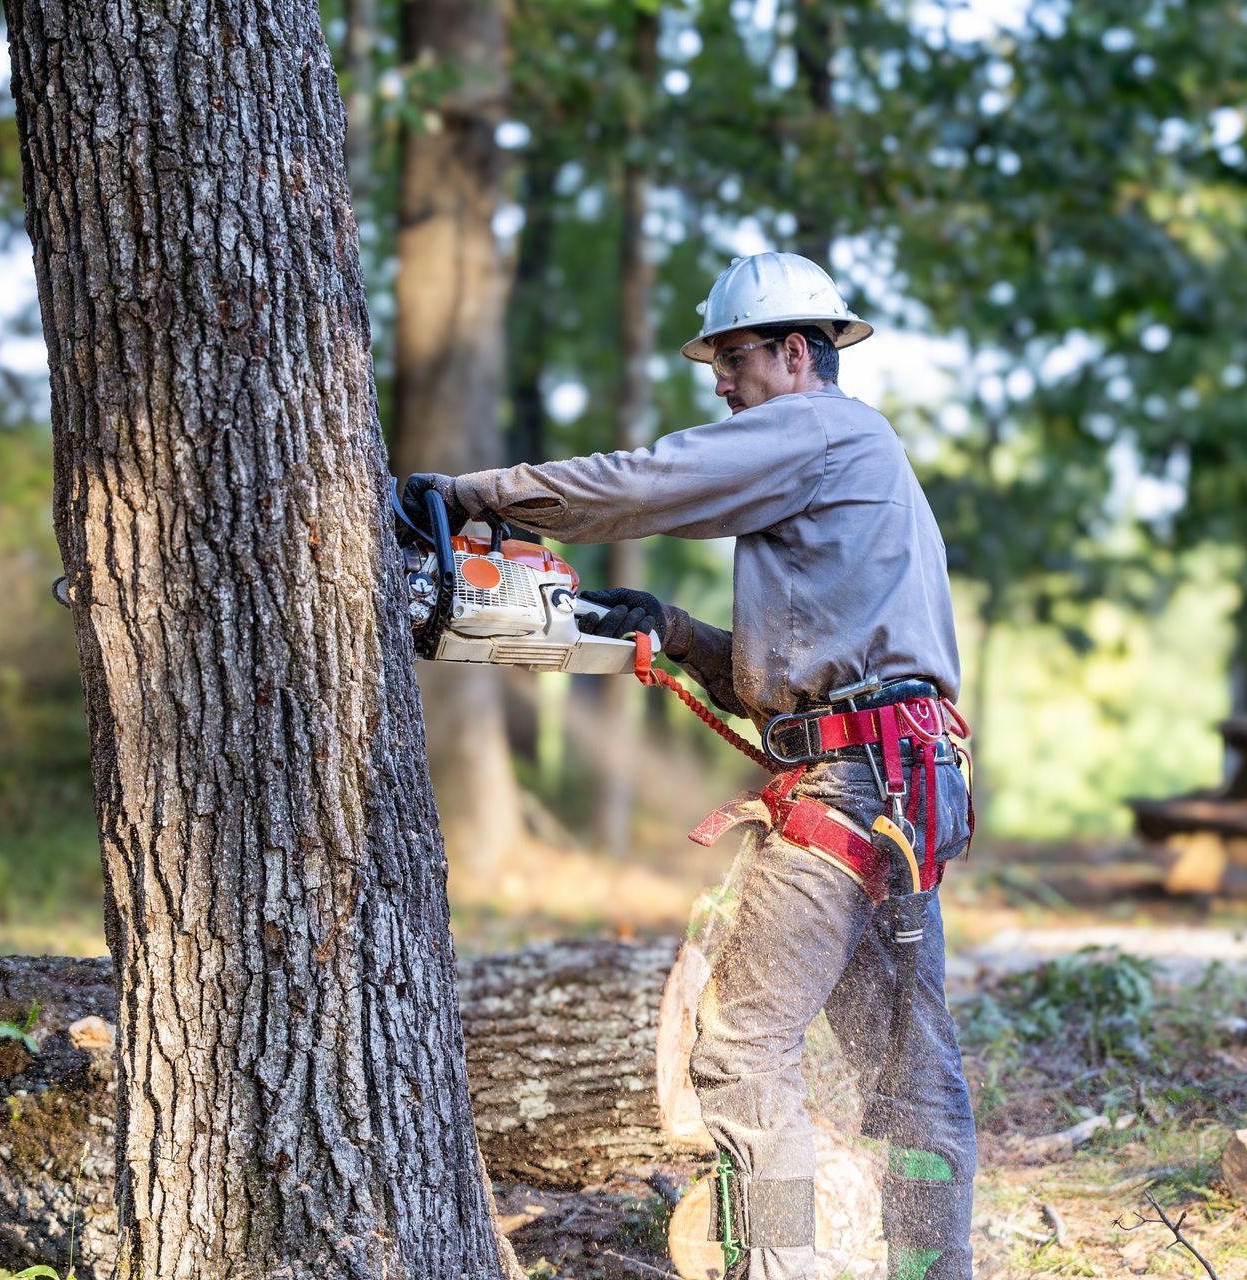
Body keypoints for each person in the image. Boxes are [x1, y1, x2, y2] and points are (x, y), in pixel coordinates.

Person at [404, 251, 975, 1280]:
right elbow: (813, 661)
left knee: (743, 1049)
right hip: (899, 780)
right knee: (910, 1071)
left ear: (797, 353)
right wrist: (672, 630)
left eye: (736, 357)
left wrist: (474, 495)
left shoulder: (817, 427)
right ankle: (938, 1267)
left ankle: (783, 1268)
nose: (721, 379)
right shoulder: (853, 454)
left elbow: (646, 482)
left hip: (854, 790)